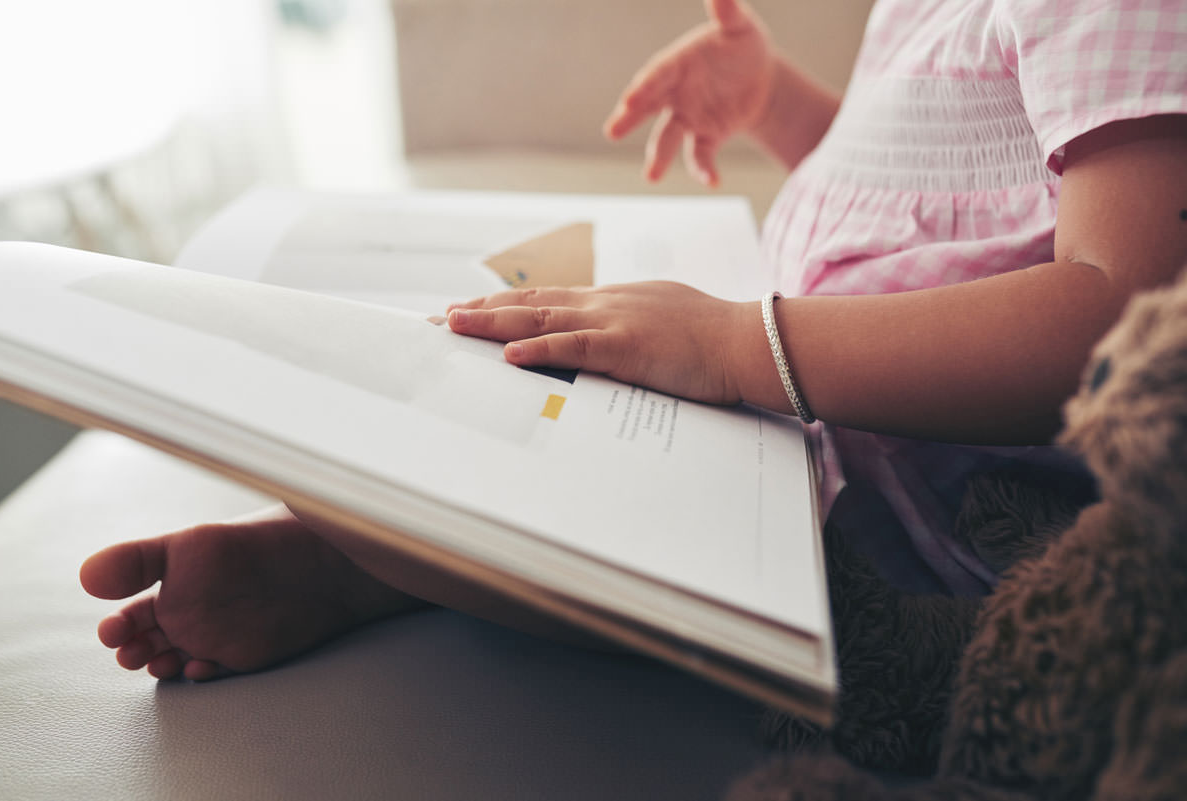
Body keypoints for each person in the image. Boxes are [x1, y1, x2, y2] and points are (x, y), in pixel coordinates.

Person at [81, 0, 1187, 681]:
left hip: (933, 499)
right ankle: (394, 539)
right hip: (818, 396)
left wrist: (731, 349)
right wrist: (779, 104)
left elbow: (1122, 320)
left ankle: (377, 554)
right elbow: (964, 196)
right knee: (555, 386)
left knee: (679, 520)